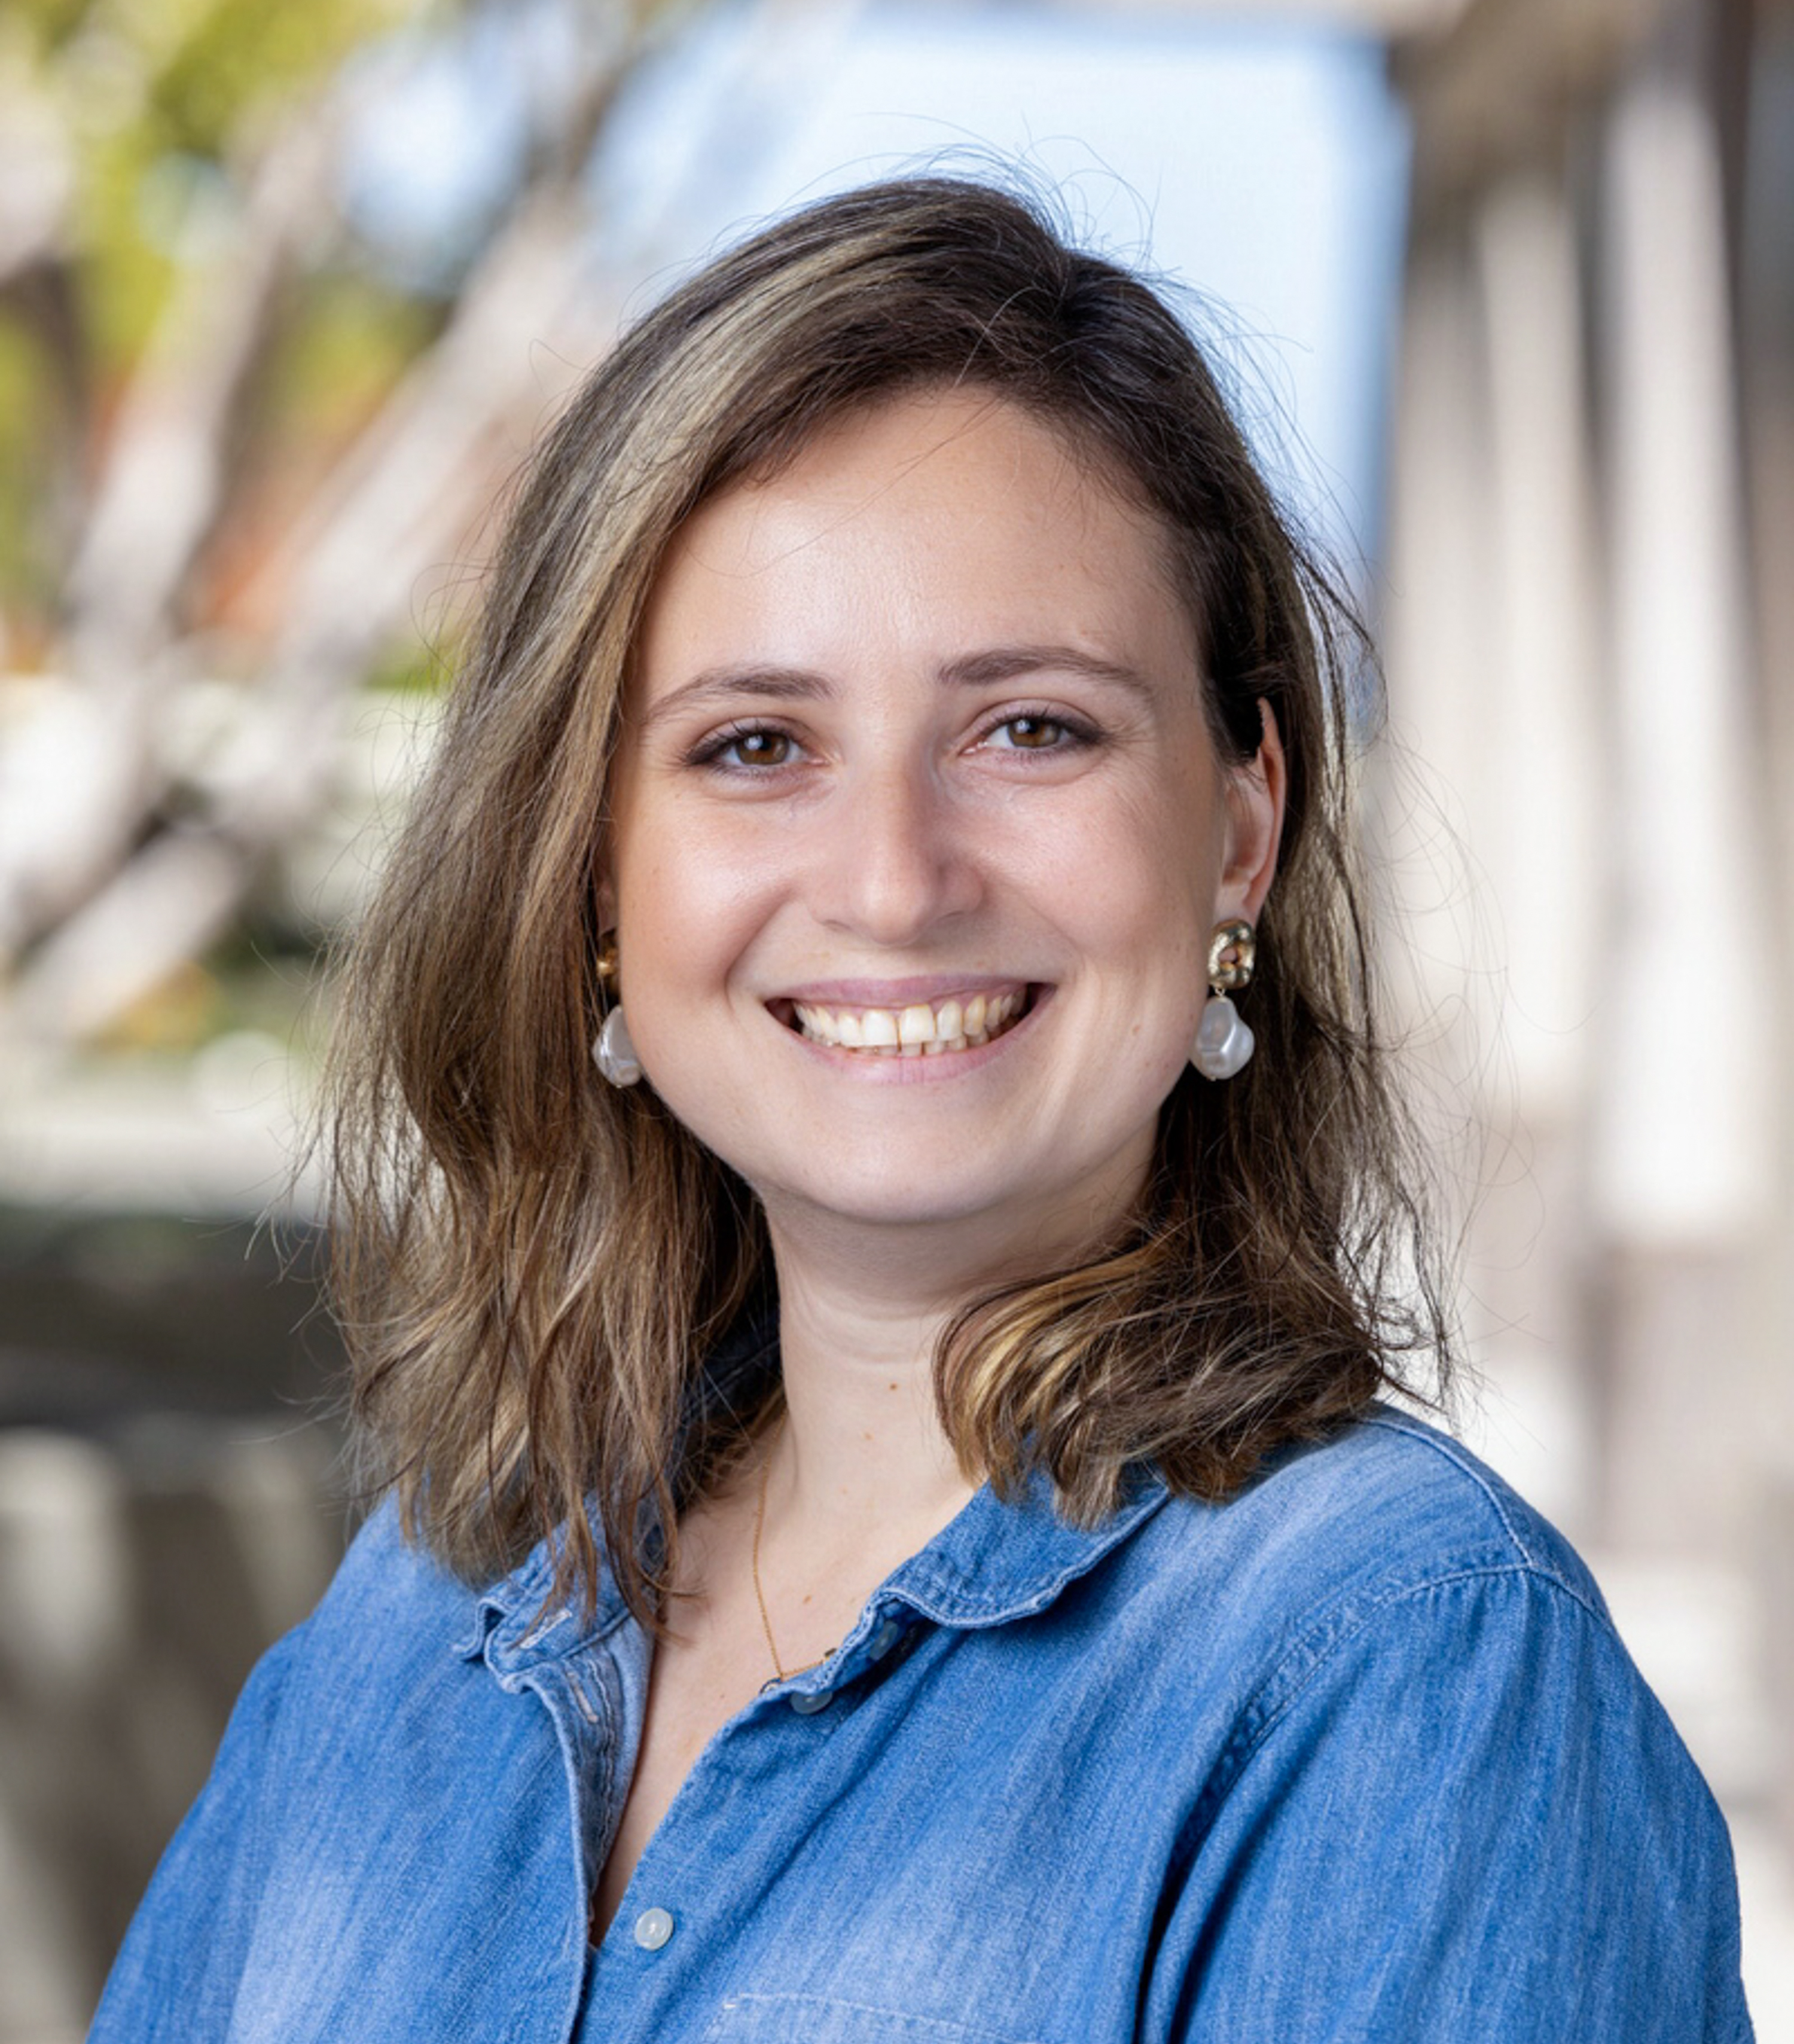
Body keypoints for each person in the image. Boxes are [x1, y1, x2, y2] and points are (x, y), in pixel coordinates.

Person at [91, 176, 1753, 2042]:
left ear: (1240, 820)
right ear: (595, 881)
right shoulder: (436, 1598)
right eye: (755, 745)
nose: (891, 879)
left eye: (1030, 725)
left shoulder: (1405, 1676)